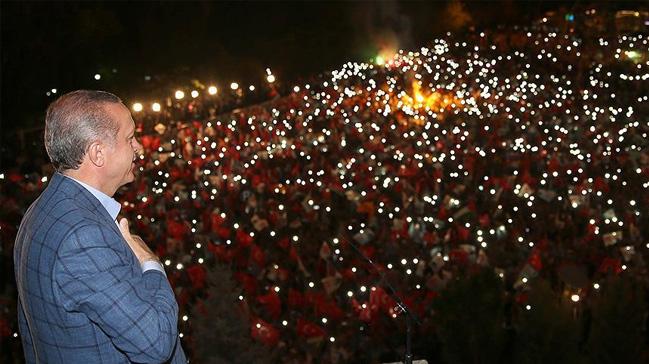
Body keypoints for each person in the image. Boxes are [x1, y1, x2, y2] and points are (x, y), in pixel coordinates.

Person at [13, 90, 186, 363]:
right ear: (97, 153)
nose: (139, 147)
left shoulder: (41, 209)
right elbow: (156, 343)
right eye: (130, 138)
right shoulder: (81, 236)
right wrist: (151, 265)